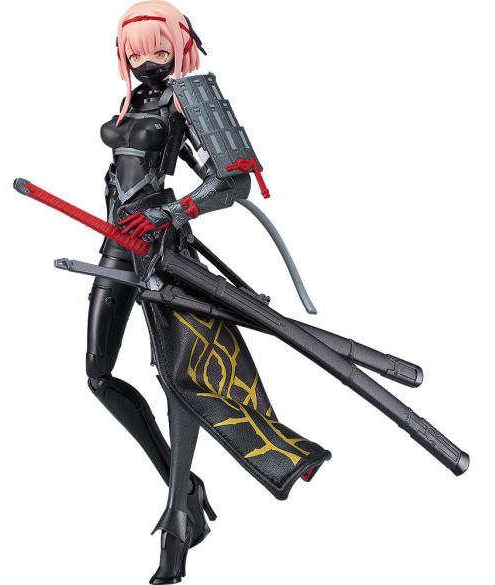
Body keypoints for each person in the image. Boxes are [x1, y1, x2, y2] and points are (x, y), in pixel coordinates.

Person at [87, 2, 331, 582]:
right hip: (115, 241)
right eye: (136, 51)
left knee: (180, 375)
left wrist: (171, 212)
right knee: (97, 374)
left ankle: (177, 517)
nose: (147, 60)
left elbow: (234, 179)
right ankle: (187, 487)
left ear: (181, 46)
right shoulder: (130, 102)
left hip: (161, 248)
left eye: (159, 49)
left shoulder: (189, 96)